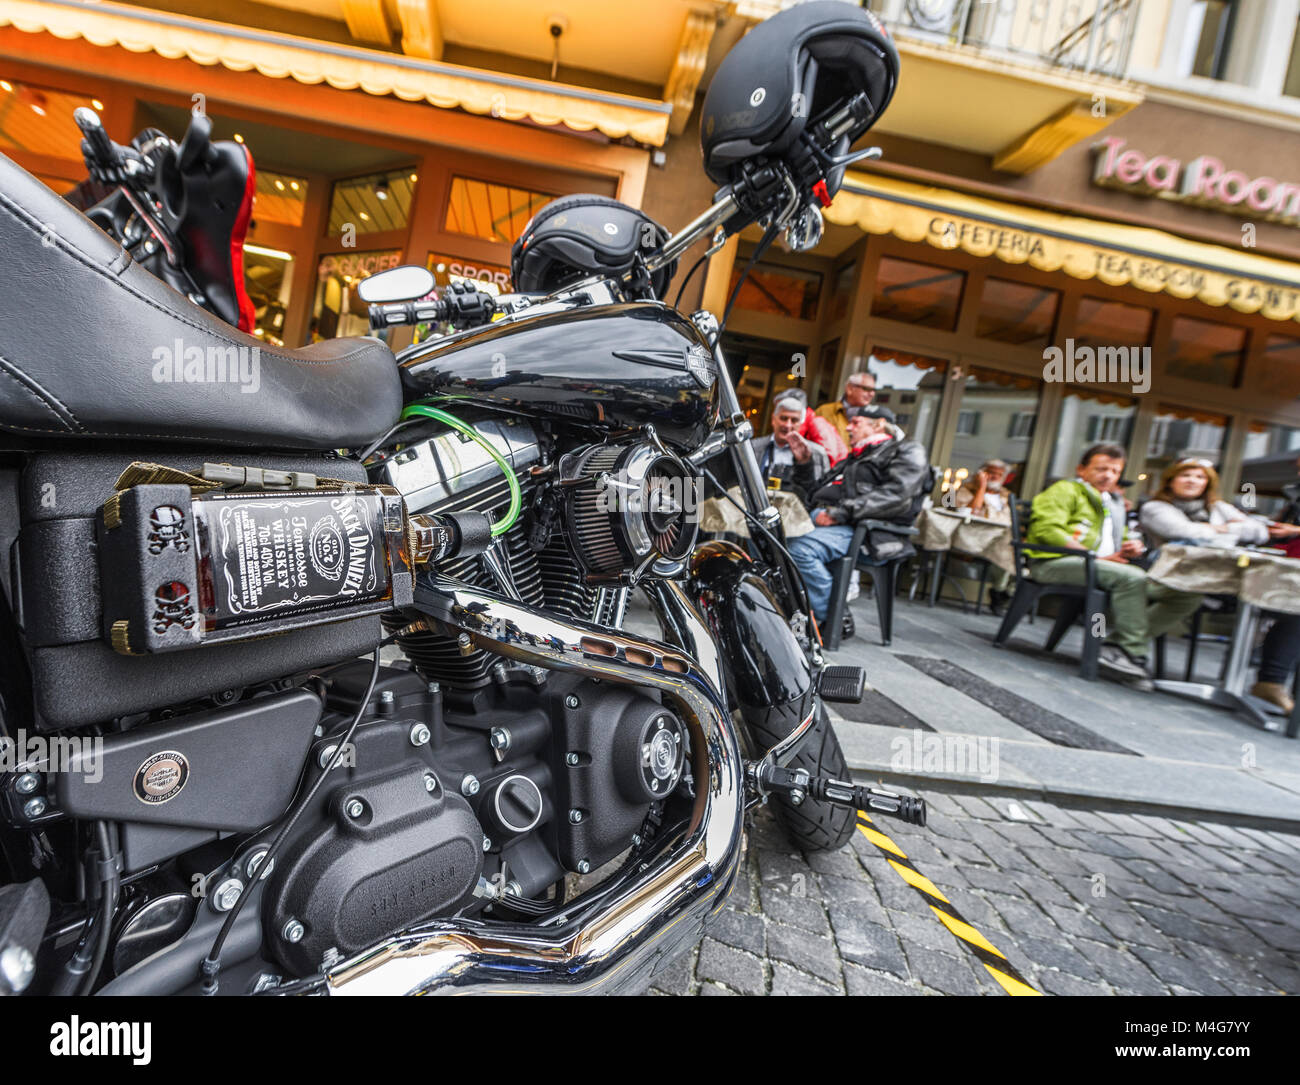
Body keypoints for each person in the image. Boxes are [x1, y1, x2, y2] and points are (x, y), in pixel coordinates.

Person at [1024, 443, 1201, 687]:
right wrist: (1092, 556)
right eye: (1101, 469)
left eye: (1115, 471)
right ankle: (1133, 652)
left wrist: (1132, 544)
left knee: (1185, 593)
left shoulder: (1113, 501)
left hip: (1106, 568)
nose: (1108, 475)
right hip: (1056, 562)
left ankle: (1116, 646)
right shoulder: (1065, 490)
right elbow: (1047, 530)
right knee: (1131, 578)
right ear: (1081, 469)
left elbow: (1124, 535)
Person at [1141, 458, 1300, 713]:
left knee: (1294, 608)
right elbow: (1181, 531)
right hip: (1179, 578)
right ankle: (1123, 646)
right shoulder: (1156, 506)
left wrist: (1215, 528)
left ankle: (1271, 682)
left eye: (1200, 476)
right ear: (1171, 479)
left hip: (1228, 582)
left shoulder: (1218, 507)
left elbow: (1259, 531)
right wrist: (1228, 529)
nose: (1193, 481)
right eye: (1186, 475)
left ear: (1209, 483)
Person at [788, 405, 930, 636]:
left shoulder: (906, 450)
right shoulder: (857, 456)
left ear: (878, 424)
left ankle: (834, 616)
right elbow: (814, 493)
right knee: (764, 535)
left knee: (800, 550)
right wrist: (804, 464)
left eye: (856, 422)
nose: (849, 427)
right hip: (822, 519)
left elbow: (897, 496)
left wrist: (841, 513)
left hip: (863, 529)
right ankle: (788, 613)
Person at [749, 390, 829, 508]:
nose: (787, 425)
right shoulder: (753, 447)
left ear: (801, 423)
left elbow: (819, 496)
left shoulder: (816, 453)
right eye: (783, 418)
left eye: (794, 420)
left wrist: (805, 463)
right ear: (773, 419)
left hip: (797, 517)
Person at [953, 458, 1014, 613]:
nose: (994, 477)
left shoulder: (1006, 496)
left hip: (1000, 541)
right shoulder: (967, 490)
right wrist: (981, 488)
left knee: (1014, 548)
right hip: (975, 539)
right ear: (981, 474)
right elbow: (970, 512)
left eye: (999, 474)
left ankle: (1007, 591)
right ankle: (1000, 592)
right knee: (1010, 548)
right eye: (990, 473)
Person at [815, 369, 876, 448]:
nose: (872, 394)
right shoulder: (824, 411)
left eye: (874, 390)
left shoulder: (874, 418)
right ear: (850, 389)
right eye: (866, 389)